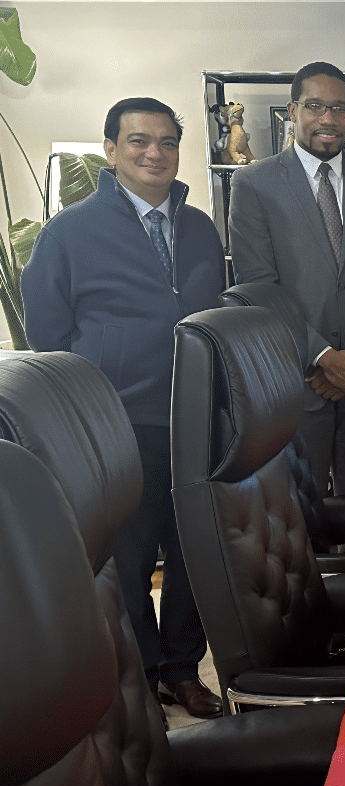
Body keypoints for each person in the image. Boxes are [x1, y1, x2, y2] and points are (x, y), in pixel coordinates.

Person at [22, 98, 225, 719]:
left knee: (192, 551)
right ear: (111, 150)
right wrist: (82, 415)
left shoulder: (198, 228)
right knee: (131, 556)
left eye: (167, 142)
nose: (154, 153)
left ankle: (184, 669)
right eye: (139, 141)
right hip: (115, 423)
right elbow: (47, 336)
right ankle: (142, 674)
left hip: (193, 416)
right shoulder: (68, 233)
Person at [229, 61, 345, 496]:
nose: (328, 119)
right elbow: (258, 291)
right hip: (295, 382)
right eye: (315, 106)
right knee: (296, 522)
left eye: (340, 108)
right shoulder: (253, 184)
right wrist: (325, 358)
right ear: (292, 111)